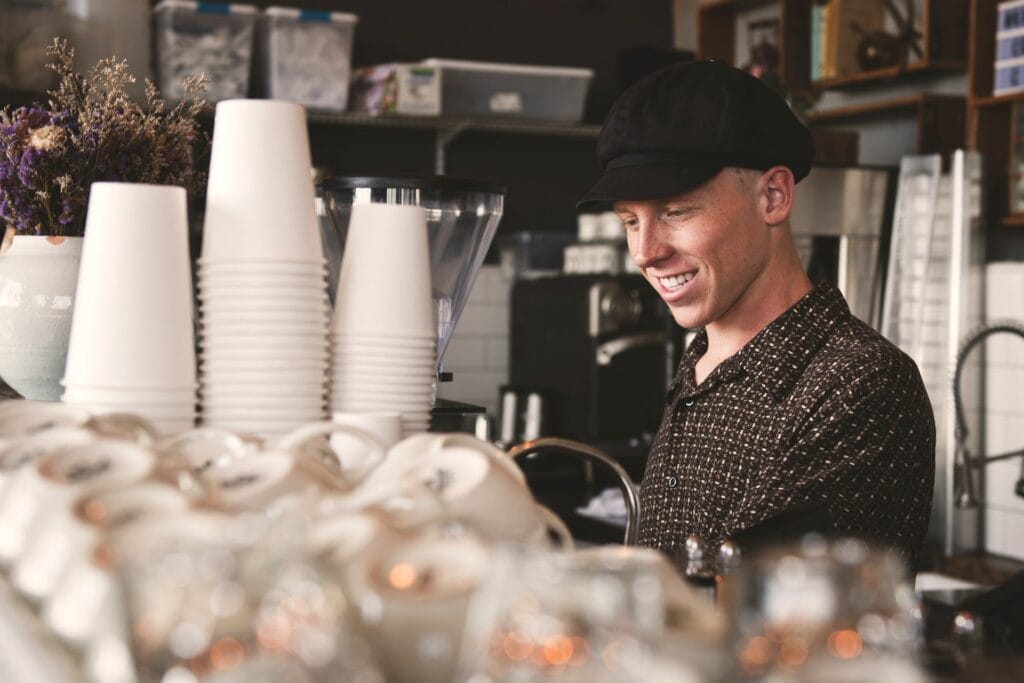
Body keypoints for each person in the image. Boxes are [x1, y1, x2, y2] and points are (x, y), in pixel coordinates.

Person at [577, 59, 935, 572]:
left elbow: (762, 615)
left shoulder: (860, 384)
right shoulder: (701, 364)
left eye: (676, 211)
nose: (645, 252)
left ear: (773, 196)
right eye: (631, 221)